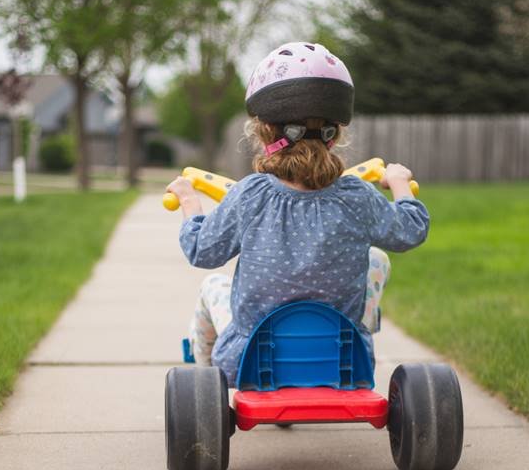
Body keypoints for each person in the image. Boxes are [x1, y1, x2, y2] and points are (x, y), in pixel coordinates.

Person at [167, 42, 429, 385]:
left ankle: (206, 380)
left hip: (250, 361)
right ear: (334, 135)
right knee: (376, 260)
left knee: (213, 284)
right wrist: (398, 184)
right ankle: (357, 332)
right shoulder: (357, 196)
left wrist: (190, 202)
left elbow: (202, 250)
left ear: (264, 131)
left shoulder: (250, 195)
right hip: (343, 360)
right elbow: (410, 230)